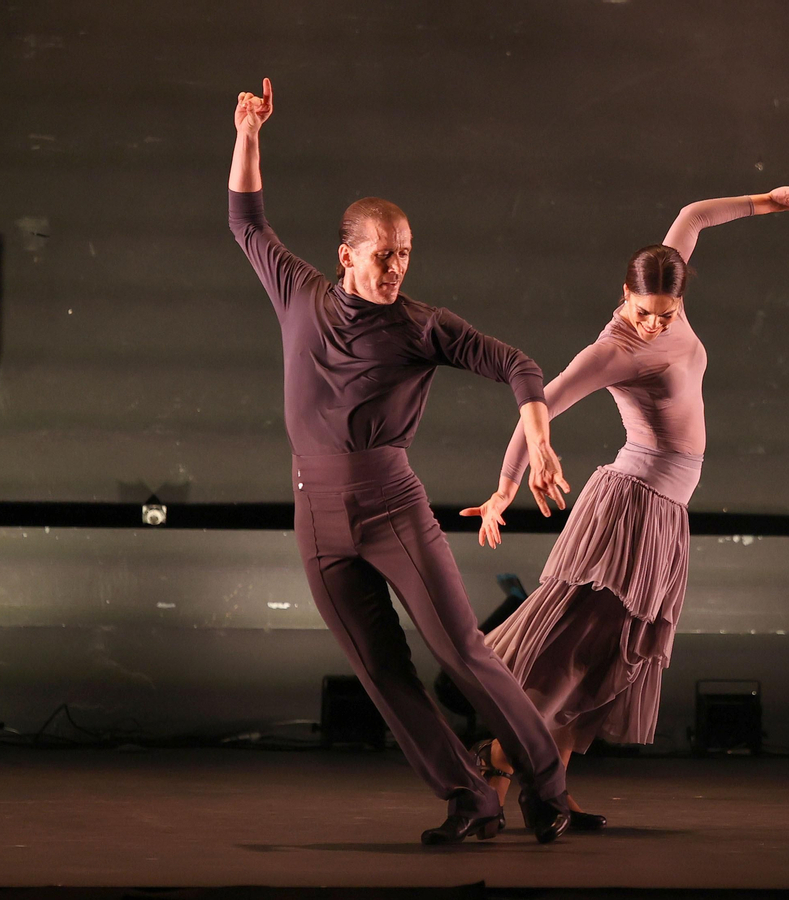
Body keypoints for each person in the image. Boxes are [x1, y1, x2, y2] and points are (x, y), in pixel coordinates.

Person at [227, 80, 574, 844]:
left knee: (461, 654)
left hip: (390, 506)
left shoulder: (424, 326)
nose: (395, 270)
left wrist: (539, 435)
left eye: (406, 257)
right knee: (382, 673)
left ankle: (547, 788)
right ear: (346, 254)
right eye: (383, 256)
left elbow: (518, 364)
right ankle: (470, 799)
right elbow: (245, 220)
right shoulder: (297, 293)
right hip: (315, 514)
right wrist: (250, 135)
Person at [461, 184, 789, 828]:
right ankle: (499, 757)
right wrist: (504, 487)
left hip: (665, 509)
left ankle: (552, 785)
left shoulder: (670, 293)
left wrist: (770, 203)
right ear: (623, 297)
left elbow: (694, 216)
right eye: (644, 311)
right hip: (630, 506)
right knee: (578, 643)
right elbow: (539, 404)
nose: (654, 324)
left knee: (619, 649)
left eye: (665, 311)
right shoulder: (615, 350)